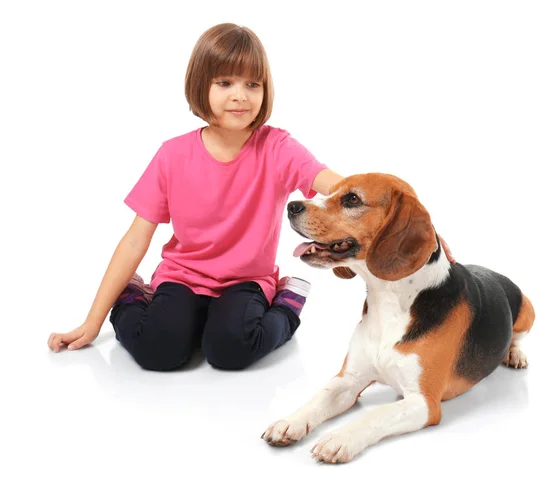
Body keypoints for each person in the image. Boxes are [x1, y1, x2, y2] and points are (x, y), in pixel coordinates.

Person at [47, 23, 455, 371]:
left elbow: (343, 187)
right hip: (182, 277)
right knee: (159, 352)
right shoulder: (172, 154)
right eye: (224, 83)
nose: (239, 95)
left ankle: (287, 301)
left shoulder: (277, 147)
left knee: (228, 351)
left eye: (252, 84)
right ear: (200, 86)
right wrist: (93, 320)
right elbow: (136, 238)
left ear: (265, 90)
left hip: (246, 282)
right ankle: (134, 295)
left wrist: (412, 229)